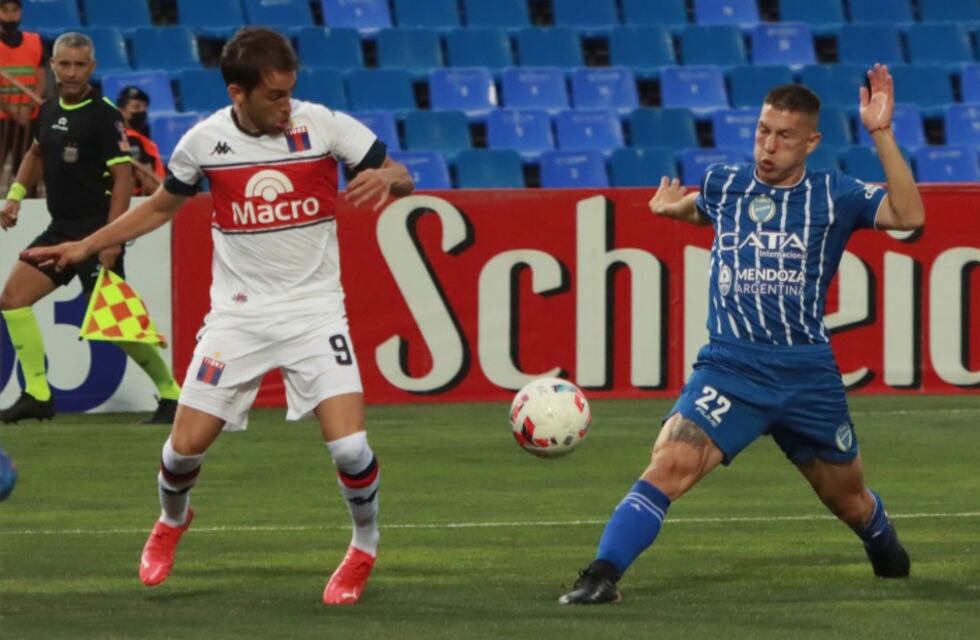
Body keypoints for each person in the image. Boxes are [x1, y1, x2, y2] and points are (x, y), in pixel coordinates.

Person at [23, 27, 414, 605]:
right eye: (275, 96)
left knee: (351, 449)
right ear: (239, 93)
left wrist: (389, 177)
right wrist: (82, 247)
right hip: (237, 318)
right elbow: (159, 206)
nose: (287, 106)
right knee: (181, 452)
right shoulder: (204, 143)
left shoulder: (323, 125)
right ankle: (173, 520)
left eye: (290, 93)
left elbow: (402, 175)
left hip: (314, 313)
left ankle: (364, 545)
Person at [559, 64, 924, 605]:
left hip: (806, 375)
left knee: (847, 501)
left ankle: (880, 539)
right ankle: (600, 575)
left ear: (811, 142)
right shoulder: (725, 183)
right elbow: (699, 209)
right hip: (731, 367)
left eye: (783, 136)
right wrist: (669, 209)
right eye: (762, 131)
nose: (768, 146)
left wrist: (881, 134)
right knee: (671, 463)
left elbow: (908, 214)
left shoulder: (834, 194)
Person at [0, 32, 181, 425]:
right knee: (13, 298)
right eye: (64, 64)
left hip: (96, 233)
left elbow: (121, 178)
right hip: (59, 229)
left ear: (92, 68)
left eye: (79, 65)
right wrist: (14, 195)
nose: (71, 72)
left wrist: (112, 238)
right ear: (52, 66)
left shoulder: (103, 114)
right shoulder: (45, 110)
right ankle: (37, 393)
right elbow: (34, 152)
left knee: (116, 324)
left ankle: (171, 394)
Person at [0, 0, 45, 180]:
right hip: (2, 117)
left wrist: (30, 107)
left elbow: (41, 79)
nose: (11, 15)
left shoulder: (34, 41)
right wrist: (12, 110)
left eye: (15, 10)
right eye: (5, 10)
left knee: (27, 174)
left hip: (28, 118)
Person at [116, 85, 164, 195]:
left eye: (144, 107)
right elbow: (148, 181)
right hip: (148, 201)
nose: (142, 111)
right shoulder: (131, 139)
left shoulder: (127, 136)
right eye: (136, 107)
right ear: (121, 111)